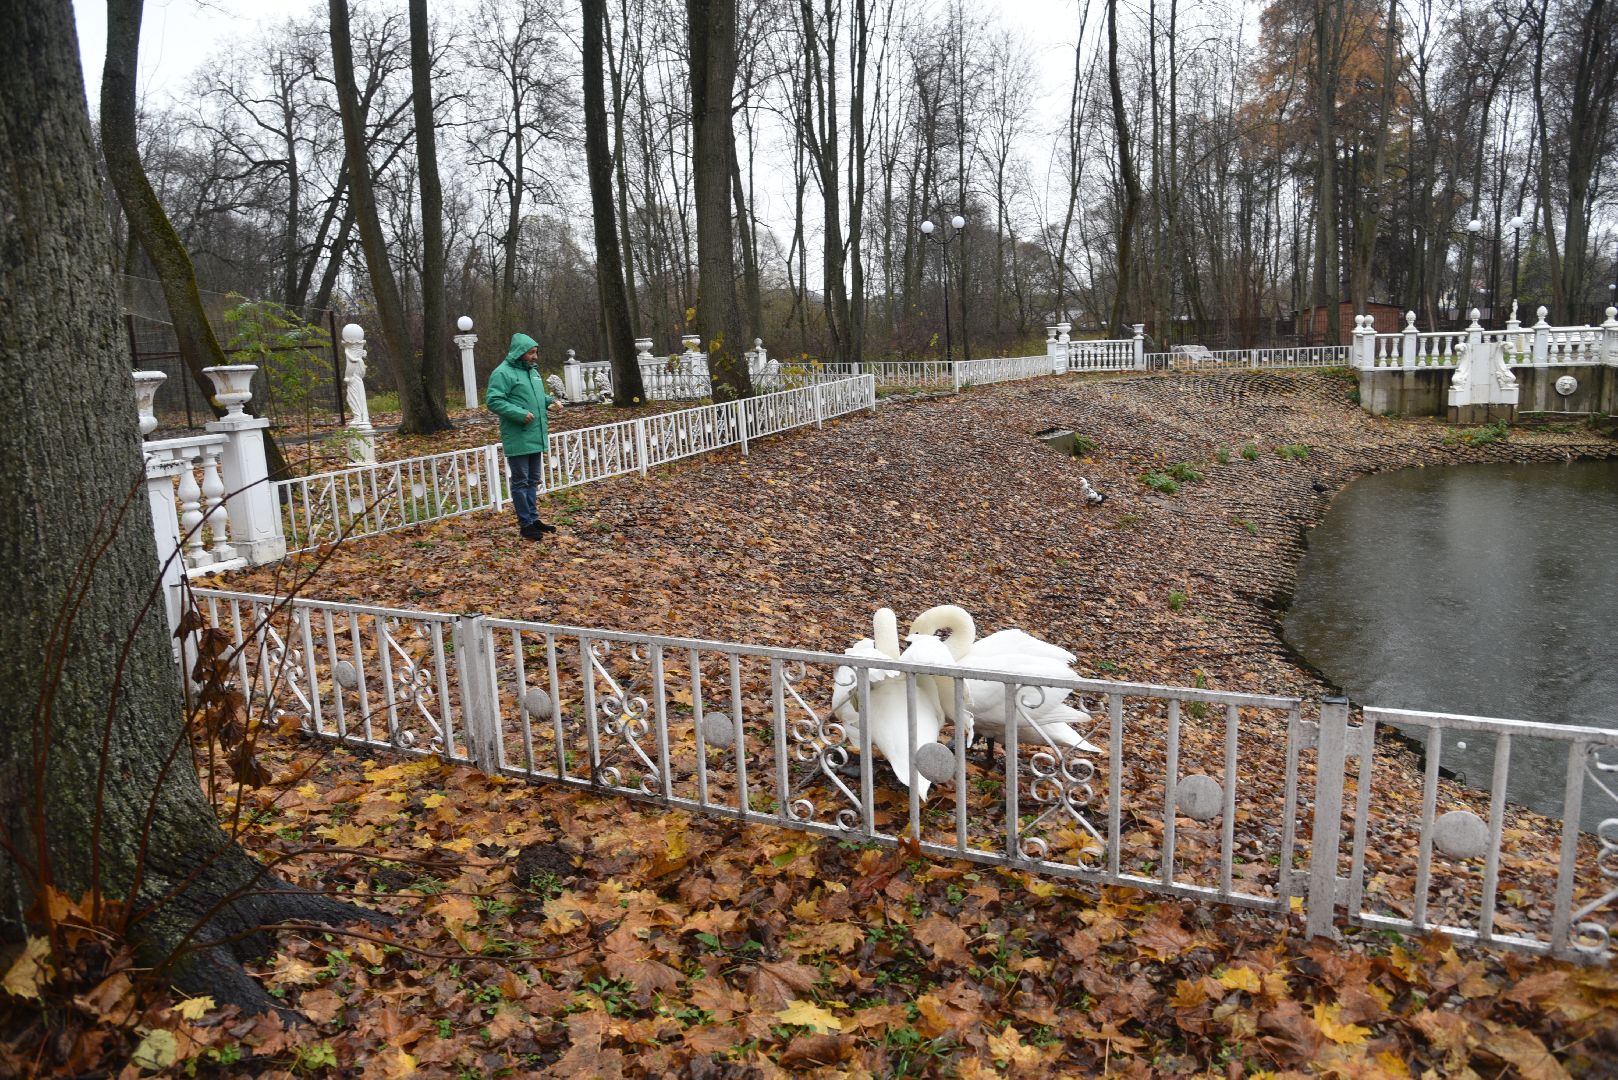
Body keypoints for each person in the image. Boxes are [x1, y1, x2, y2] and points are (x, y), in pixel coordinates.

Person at [486, 332, 558, 541]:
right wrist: (519, 414)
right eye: (531, 352)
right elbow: (494, 400)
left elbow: (534, 397)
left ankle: (533, 519)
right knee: (521, 481)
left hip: (536, 433)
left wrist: (548, 401)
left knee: (533, 480)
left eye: (536, 352)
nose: (535, 356)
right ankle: (525, 524)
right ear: (520, 352)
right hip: (518, 434)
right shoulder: (503, 373)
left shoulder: (532, 372)